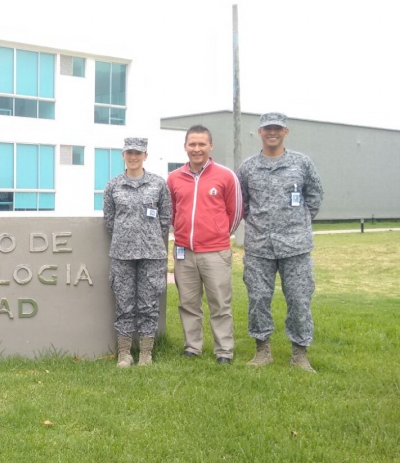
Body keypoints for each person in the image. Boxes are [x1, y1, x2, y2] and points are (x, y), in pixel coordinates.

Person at [239, 112, 324, 372]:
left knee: (299, 299)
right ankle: (262, 350)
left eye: (277, 128)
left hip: (295, 246)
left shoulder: (301, 163)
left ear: (286, 131)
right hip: (259, 246)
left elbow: (315, 195)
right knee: (258, 298)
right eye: (267, 128)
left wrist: (298, 223)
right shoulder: (248, 167)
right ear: (259, 132)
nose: (272, 132)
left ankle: (299, 353)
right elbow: (242, 202)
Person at [167, 125, 243, 364]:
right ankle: (193, 346)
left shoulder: (225, 176)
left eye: (201, 144)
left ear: (211, 146)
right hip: (183, 252)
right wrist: (181, 233)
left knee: (220, 304)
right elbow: (171, 211)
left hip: (215, 252)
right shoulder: (174, 178)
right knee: (188, 303)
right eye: (192, 144)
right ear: (185, 147)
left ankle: (224, 351)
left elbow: (236, 211)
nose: (197, 149)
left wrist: (219, 235)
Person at [103, 137, 172, 367]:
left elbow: (165, 218)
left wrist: (147, 236)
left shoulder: (158, 184)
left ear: (145, 156)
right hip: (122, 253)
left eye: (138, 153)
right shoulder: (113, 185)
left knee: (148, 303)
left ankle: (145, 353)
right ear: (123, 155)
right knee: (124, 303)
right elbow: (110, 219)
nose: (134, 157)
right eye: (129, 153)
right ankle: (124, 353)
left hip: (151, 253)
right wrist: (128, 236)